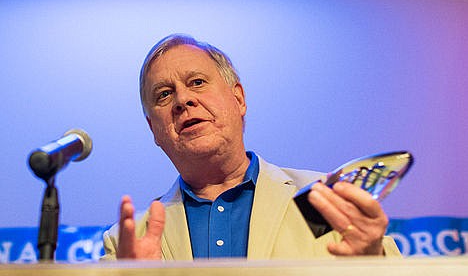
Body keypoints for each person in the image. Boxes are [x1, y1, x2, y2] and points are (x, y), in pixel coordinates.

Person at [102, 34, 401, 260]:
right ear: (154, 129)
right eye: (165, 94)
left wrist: (372, 260)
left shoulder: (326, 201)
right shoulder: (125, 244)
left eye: (196, 82)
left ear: (239, 99)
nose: (183, 100)